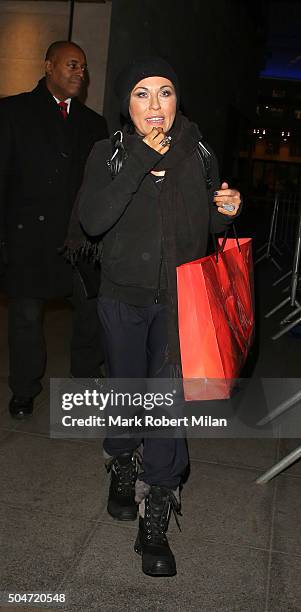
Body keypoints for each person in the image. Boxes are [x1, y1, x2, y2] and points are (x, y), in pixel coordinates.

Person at [77, 57, 241, 577]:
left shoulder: (199, 153)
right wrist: (139, 162)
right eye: (142, 94)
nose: (154, 106)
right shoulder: (109, 153)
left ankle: (158, 507)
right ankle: (122, 463)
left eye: (164, 93)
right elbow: (93, 219)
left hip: (180, 301)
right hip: (122, 296)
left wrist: (228, 208)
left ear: (177, 101)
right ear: (127, 104)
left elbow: (206, 221)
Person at [0, 41, 108, 419]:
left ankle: (84, 380)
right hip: (28, 237)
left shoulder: (94, 124)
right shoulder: (12, 112)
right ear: (48, 66)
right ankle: (24, 388)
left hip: (79, 240)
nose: (81, 73)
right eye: (72, 65)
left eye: (84, 67)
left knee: (91, 309)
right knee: (26, 317)